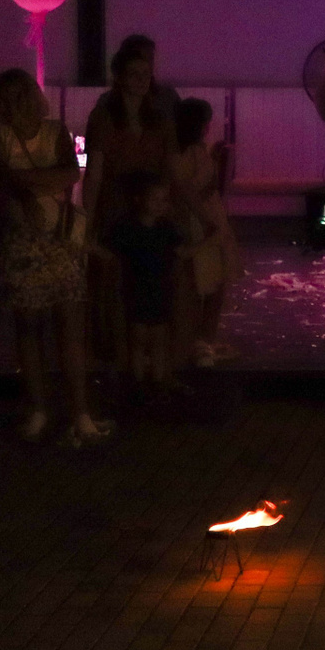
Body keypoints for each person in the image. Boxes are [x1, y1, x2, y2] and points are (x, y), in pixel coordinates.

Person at [0, 68, 112, 446]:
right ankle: (47, 410)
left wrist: (24, 183)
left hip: (52, 239)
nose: (13, 104)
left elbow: (68, 173)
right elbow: (4, 179)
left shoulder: (53, 131)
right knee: (30, 328)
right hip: (23, 240)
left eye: (19, 95)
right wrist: (44, 180)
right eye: (6, 97)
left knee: (68, 327)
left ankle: (75, 411)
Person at [83, 39, 176, 364]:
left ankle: (149, 361)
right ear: (120, 77)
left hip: (150, 207)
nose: (141, 80)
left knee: (149, 282)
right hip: (117, 206)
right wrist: (88, 219)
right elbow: (94, 173)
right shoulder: (104, 118)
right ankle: (117, 357)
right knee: (115, 282)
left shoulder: (159, 119)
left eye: (146, 74)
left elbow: (169, 169)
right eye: (134, 74)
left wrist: (167, 206)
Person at [169, 98, 241, 368]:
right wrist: (206, 219)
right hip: (203, 220)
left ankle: (198, 342)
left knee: (206, 282)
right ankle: (201, 343)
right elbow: (188, 189)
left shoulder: (187, 151)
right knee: (210, 283)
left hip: (204, 217)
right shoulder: (190, 153)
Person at [99, 174, 186, 393]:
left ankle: (155, 383)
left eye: (164, 200)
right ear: (139, 199)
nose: (160, 205)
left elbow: (181, 252)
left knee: (158, 340)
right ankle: (139, 384)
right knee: (138, 339)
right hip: (136, 290)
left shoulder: (166, 228)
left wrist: (210, 242)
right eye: (155, 199)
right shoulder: (127, 227)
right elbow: (109, 253)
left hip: (160, 290)